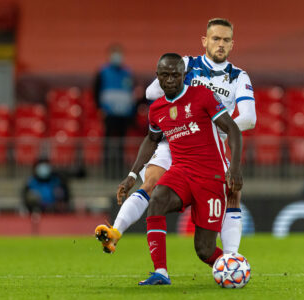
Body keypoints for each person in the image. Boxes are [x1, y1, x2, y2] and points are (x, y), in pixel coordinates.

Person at [95, 18, 256, 255]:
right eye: (215, 39)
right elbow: (151, 92)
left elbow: (249, 118)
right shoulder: (187, 64)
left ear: (232, 44)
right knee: (150, 183)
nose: (220, 44)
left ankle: (231, 258)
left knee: (233, 193)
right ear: (205, 41)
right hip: (175, 142)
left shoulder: (238, 77)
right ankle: (115, 233)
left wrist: (210, 128)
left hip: (209, 148)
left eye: (225, 40)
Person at [98, 53, 242, 285]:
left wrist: (234, 167)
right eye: (165, 75)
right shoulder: (156, 109)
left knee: (204, 250)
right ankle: (161, 272)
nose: (171, 80)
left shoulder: (202, 96)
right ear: (158, 77)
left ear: (184, 75)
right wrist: (131, 175)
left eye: (176, 74)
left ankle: (233, 266)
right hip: (181, 171)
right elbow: (151, 139)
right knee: (157, 199)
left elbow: (232, 129)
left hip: (210, 175)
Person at [93, 44, 136, 178]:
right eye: (114, 54)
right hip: (109, 113)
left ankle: (119, 170)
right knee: (108, 143)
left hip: (124, 114)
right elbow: (96, 91)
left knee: (121, 144)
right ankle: (107, 170)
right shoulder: (102, 71)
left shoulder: (128, 73)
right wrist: (100, 108)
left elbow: (131, 92)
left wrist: (131, 112)